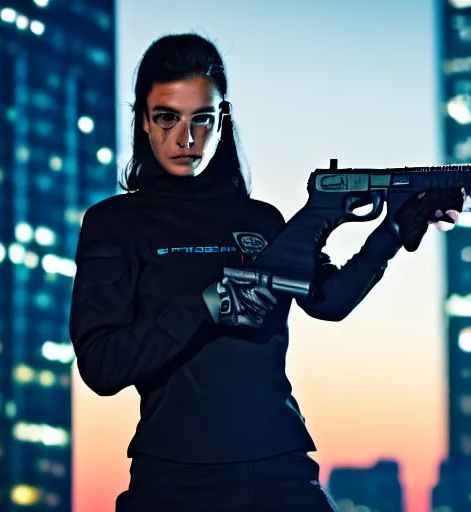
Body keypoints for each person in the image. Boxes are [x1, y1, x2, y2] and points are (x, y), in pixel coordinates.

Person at [69, 33, 461, 512]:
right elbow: (102, 365)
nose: (185, 138)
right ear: (144, 122)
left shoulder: (262, 221)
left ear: (222, 121)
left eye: (202, 119)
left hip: (280, 465)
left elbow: (328, 302)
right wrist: (209, 303)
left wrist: (393, 232)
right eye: (167, 117)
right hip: (174, 476)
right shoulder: (114, 224)